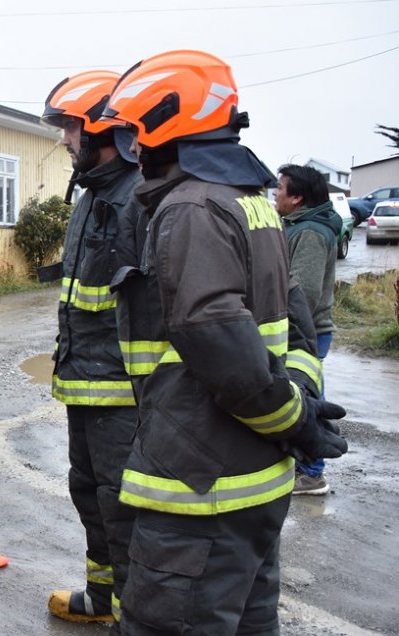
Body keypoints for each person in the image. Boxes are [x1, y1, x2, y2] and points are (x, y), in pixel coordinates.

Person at [102, 49, 349, 633]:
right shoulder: (252, 202)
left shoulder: (191, 207)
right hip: (255, 486)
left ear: (166, 124)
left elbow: (216, 339)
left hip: (200, 490)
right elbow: (296, 321)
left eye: (134, 133)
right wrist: (300, 404)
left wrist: (293, 419)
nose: (132, 149)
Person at [40, 70, 143, 629]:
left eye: (70, 127)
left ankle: (132, 616)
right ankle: (102, 596)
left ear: (104, 129)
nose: (64, 139)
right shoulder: (91, 195)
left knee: (124, 507)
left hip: (124, 392)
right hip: (84, 383)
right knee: (89, 493)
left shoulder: (139, 199)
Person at [275, 163, 342, 496]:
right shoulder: (299, 225)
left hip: (307, 330)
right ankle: (308, 467)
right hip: (304, 329)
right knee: (307, 396)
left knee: (309, 399)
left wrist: (286, 325)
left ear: (297, 197)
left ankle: (313, 473)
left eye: (280, 188)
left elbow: (305, 291)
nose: (275, 194)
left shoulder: (310, 232)